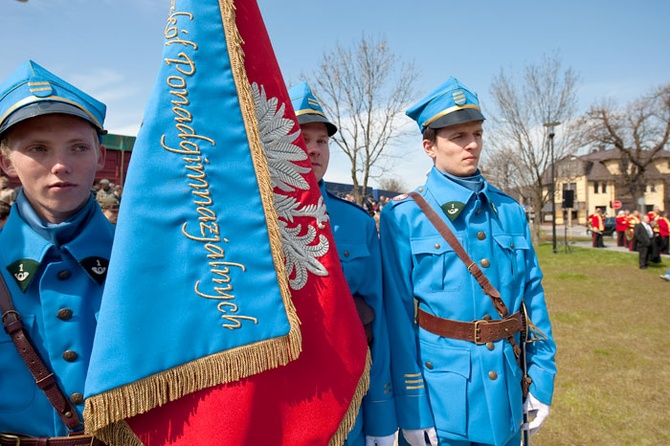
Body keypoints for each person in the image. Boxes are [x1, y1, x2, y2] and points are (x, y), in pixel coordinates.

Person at [379, 77, 556, 446]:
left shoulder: (509, 211)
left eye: (476, 132)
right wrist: (412, 408)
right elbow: (396, 317)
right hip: (443, 400)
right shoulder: (406, 217)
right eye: (457, 136)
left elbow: (533, 299)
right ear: (429, 146)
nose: (472, 144)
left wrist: (542, 378)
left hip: (509, 387)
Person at [0, 60, 113, 442]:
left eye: (78, 147)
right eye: (38, 149)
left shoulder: (145, 265)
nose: (61, 165)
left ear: (100, 156)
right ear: (7, 163)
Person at [289, 82, 397, 446]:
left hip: (344, 405)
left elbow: (378, 320)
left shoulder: (358, 223)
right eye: (304, 139)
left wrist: (380, 415)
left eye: (322, 142)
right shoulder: (252, 222)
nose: (316, 150)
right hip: (279, 406)